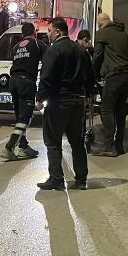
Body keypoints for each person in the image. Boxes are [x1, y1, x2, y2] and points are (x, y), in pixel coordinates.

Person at [36, 18, 94, 191]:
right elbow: (90, 76)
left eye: (49, 31)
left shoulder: (54, 51)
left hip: (58, 101)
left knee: (53, 141)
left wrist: (39, 98)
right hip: (77, 102)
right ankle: (81, 179)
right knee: (77, 142)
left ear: (58, 32)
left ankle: (56, 179)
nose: (48, 35)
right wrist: (88, 95)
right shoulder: (81, 50)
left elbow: (47, 78)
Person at [91, 12, 128, 157]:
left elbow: (97, 56)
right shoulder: (123, 34)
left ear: (100, 24)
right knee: (120, 110)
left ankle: (108, 145)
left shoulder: (102, 34)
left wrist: (92, 74)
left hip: (115, 75)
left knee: (106, 109)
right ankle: (119, 145)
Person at [1, 22, 45, 161]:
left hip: (13, 81)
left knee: (20, 115)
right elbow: (47, 63)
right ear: (34, 33)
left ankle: (23, 146)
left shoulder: (15, 47)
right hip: (26, 82)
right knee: (25, 117)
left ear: (22, 34)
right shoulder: (38, 44)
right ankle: (9, 147)